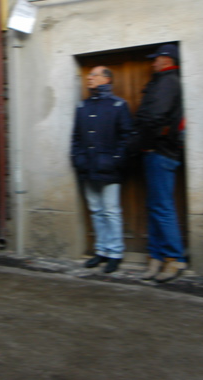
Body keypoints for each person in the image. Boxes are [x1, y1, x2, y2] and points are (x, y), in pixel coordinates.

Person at [131, 44, 187, 283]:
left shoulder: (167, 82)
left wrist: (142, 143)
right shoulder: (163, 80)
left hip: (160, 152)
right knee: (155, 206)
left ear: (166, 60)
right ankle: (156, 256)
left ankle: (175, 259)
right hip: (156, 151)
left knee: (162, 207)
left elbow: (155, 117)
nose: (153, 63)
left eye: (156, 59)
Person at [71, 66, 133, 274]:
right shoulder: (82, 106)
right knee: (97, 211)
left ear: (106, 79)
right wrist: (78, 159)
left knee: (111, 211)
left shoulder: (118, 105)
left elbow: (126, 138)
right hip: (88, 169)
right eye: (89, 75)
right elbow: (76, 139)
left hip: (109, 170)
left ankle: (115, 253)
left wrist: (115, 161)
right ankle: (102, 251)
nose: (89, 78)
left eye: (94, 75)